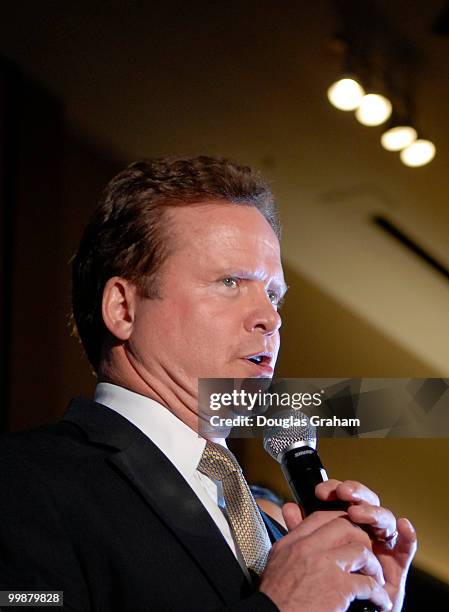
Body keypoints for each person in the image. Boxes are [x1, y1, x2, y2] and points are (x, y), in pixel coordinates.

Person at [0, 156, 416, 611]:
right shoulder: (25, 480)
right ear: (123, 308)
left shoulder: (277, 532)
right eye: (230, 282)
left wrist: (371, 604)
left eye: (273, 294)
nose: (270, 318)